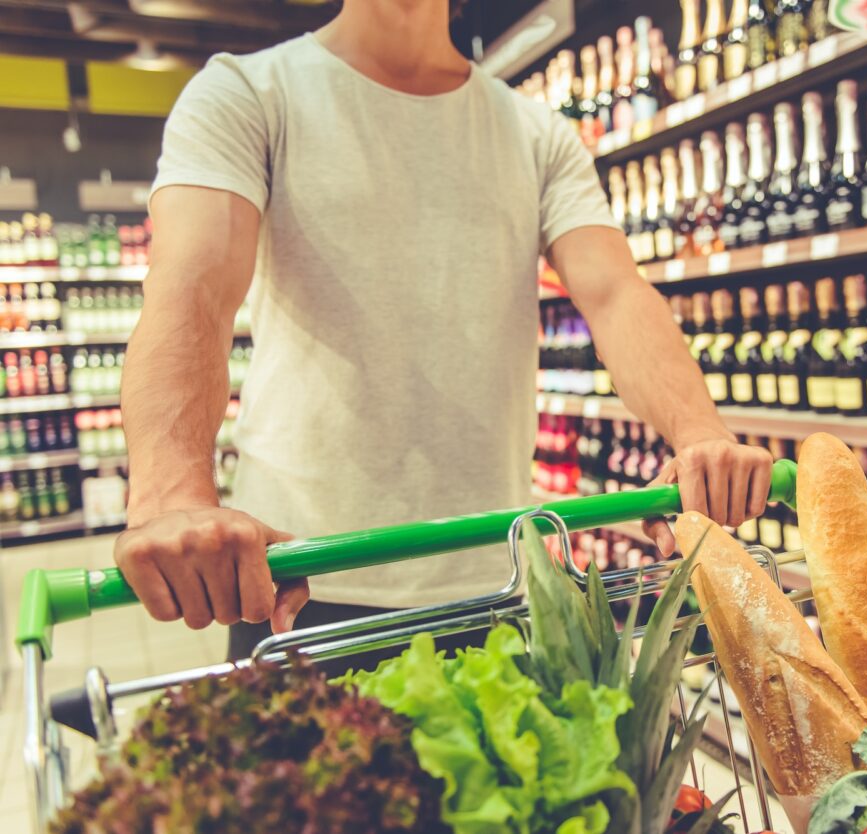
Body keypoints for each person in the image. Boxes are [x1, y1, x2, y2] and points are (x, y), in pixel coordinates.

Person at [113, 0, 773, 665]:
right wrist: (172, 494)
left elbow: (615, 294)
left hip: (501, 587)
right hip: (301, 590)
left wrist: (699, 434)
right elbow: (192, 288)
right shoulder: (248, 92)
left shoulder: (535, 132)